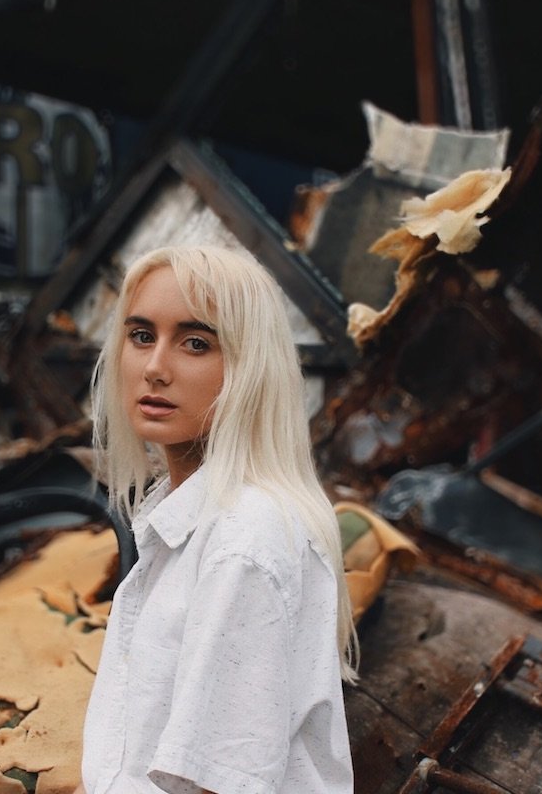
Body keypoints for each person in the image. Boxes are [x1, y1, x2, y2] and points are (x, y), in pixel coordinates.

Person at [77, 245, 357, 794]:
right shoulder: (184, 514)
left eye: (196, 343)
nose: (155, 368)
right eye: (141, 336)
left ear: (251, 367)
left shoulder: (243, 539)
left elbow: (220, 783)